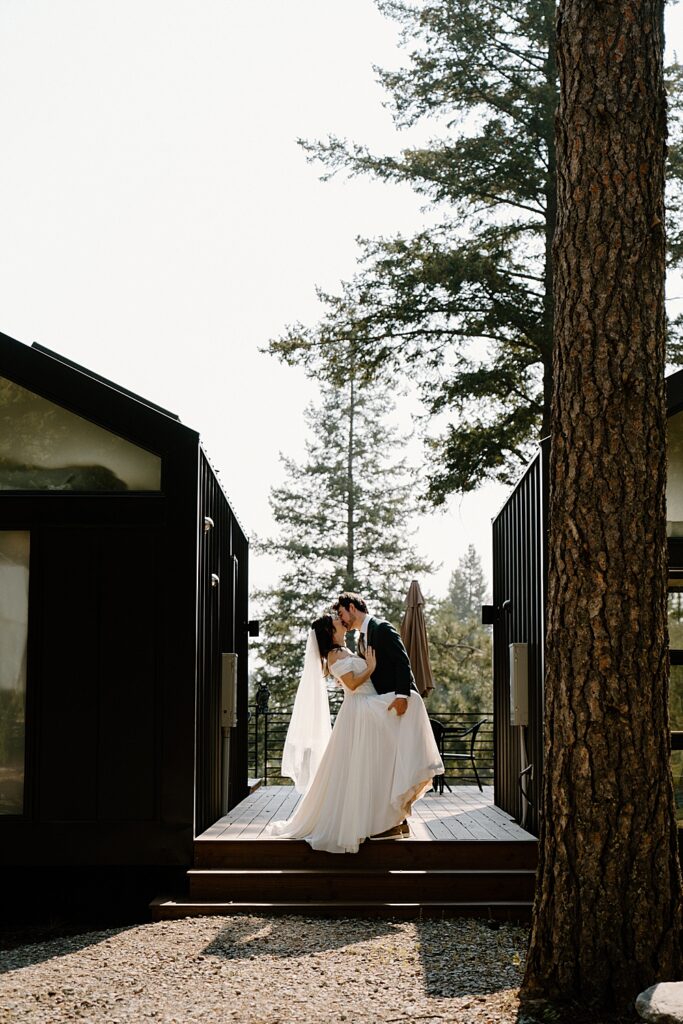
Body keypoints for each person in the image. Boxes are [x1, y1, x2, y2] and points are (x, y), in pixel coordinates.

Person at [269, 611, 443, 854]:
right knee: (410, 703)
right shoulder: (333, 655)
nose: (341, 621)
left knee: (376, 761)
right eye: (336, 621)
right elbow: (351, 684)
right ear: (330, 631)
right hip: (360, 709)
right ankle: (380, 817)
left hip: (369, 705)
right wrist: (370, 667)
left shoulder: (347, 650)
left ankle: (386, 817)